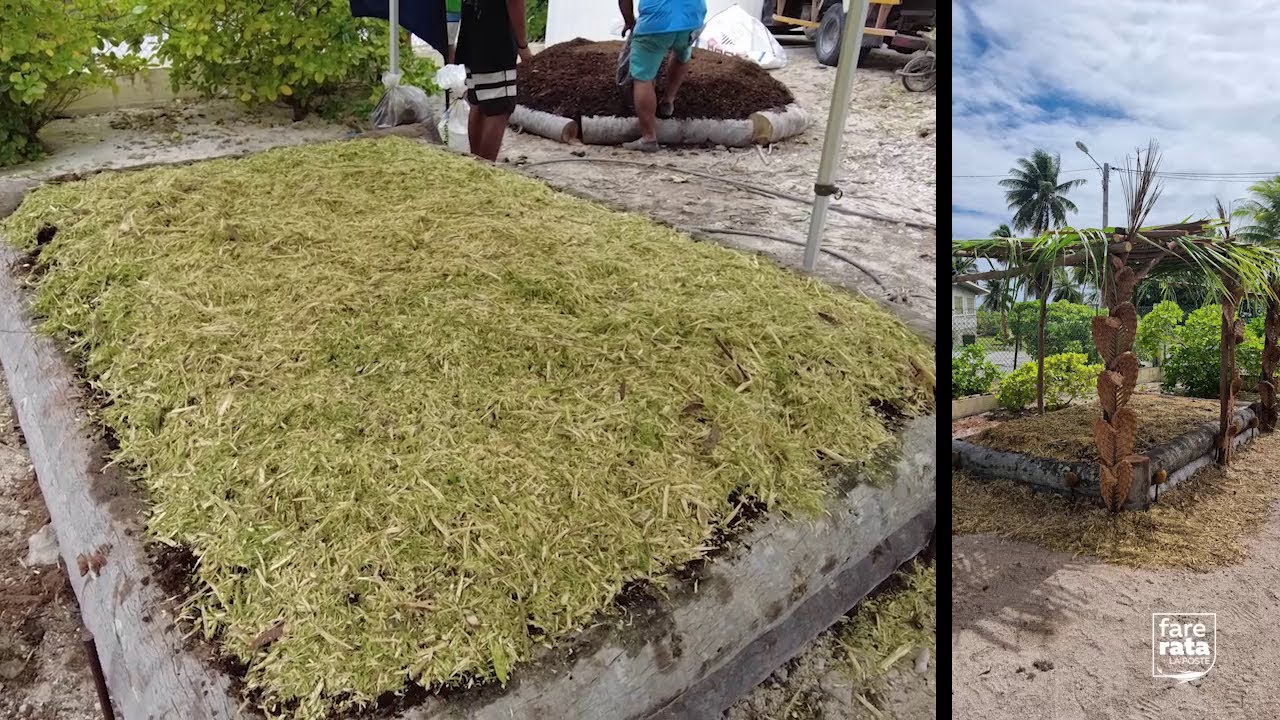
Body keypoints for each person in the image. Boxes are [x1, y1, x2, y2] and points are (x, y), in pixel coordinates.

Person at [618, 0, 706, 153]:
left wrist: (629, 21)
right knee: (682, 51)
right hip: (692, 17)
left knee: (643, 75)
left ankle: (648, 137)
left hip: (656, 21)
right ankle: (668, 102)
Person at [455, 0, 534, 161]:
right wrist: (522, 45)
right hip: (495, 37)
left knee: (478, 100)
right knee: (498, 105)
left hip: (473, 31)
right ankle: (485, 172)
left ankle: (476, 166)